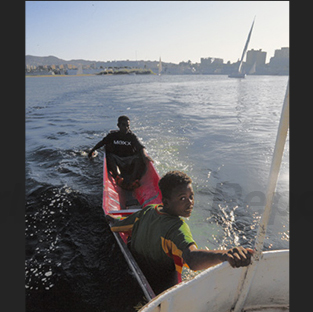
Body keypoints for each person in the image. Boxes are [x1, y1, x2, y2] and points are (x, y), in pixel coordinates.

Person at [107, 170, 254, 295]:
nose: (190, 202)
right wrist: (225, 255)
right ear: (166, 202)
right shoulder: (177, 227)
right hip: (162, 288)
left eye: (191, 196)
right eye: (182, 198)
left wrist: (109, 218)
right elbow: (191, 258)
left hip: (137, 275)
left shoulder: (148, 210)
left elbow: (118, 226)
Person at [88, 115, 153, 190]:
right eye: (123, 125)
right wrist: (92, 150)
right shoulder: (113, 135)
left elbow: (141, 147)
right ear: (118, 125)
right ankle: (118, 177)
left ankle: (133, 179)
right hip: (117, 159)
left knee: (139, 159)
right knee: (109, 156)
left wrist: (145, 156)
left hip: (129, 160)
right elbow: (102, 143)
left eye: (128, 126)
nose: (126, 128)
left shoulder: (131, 136)